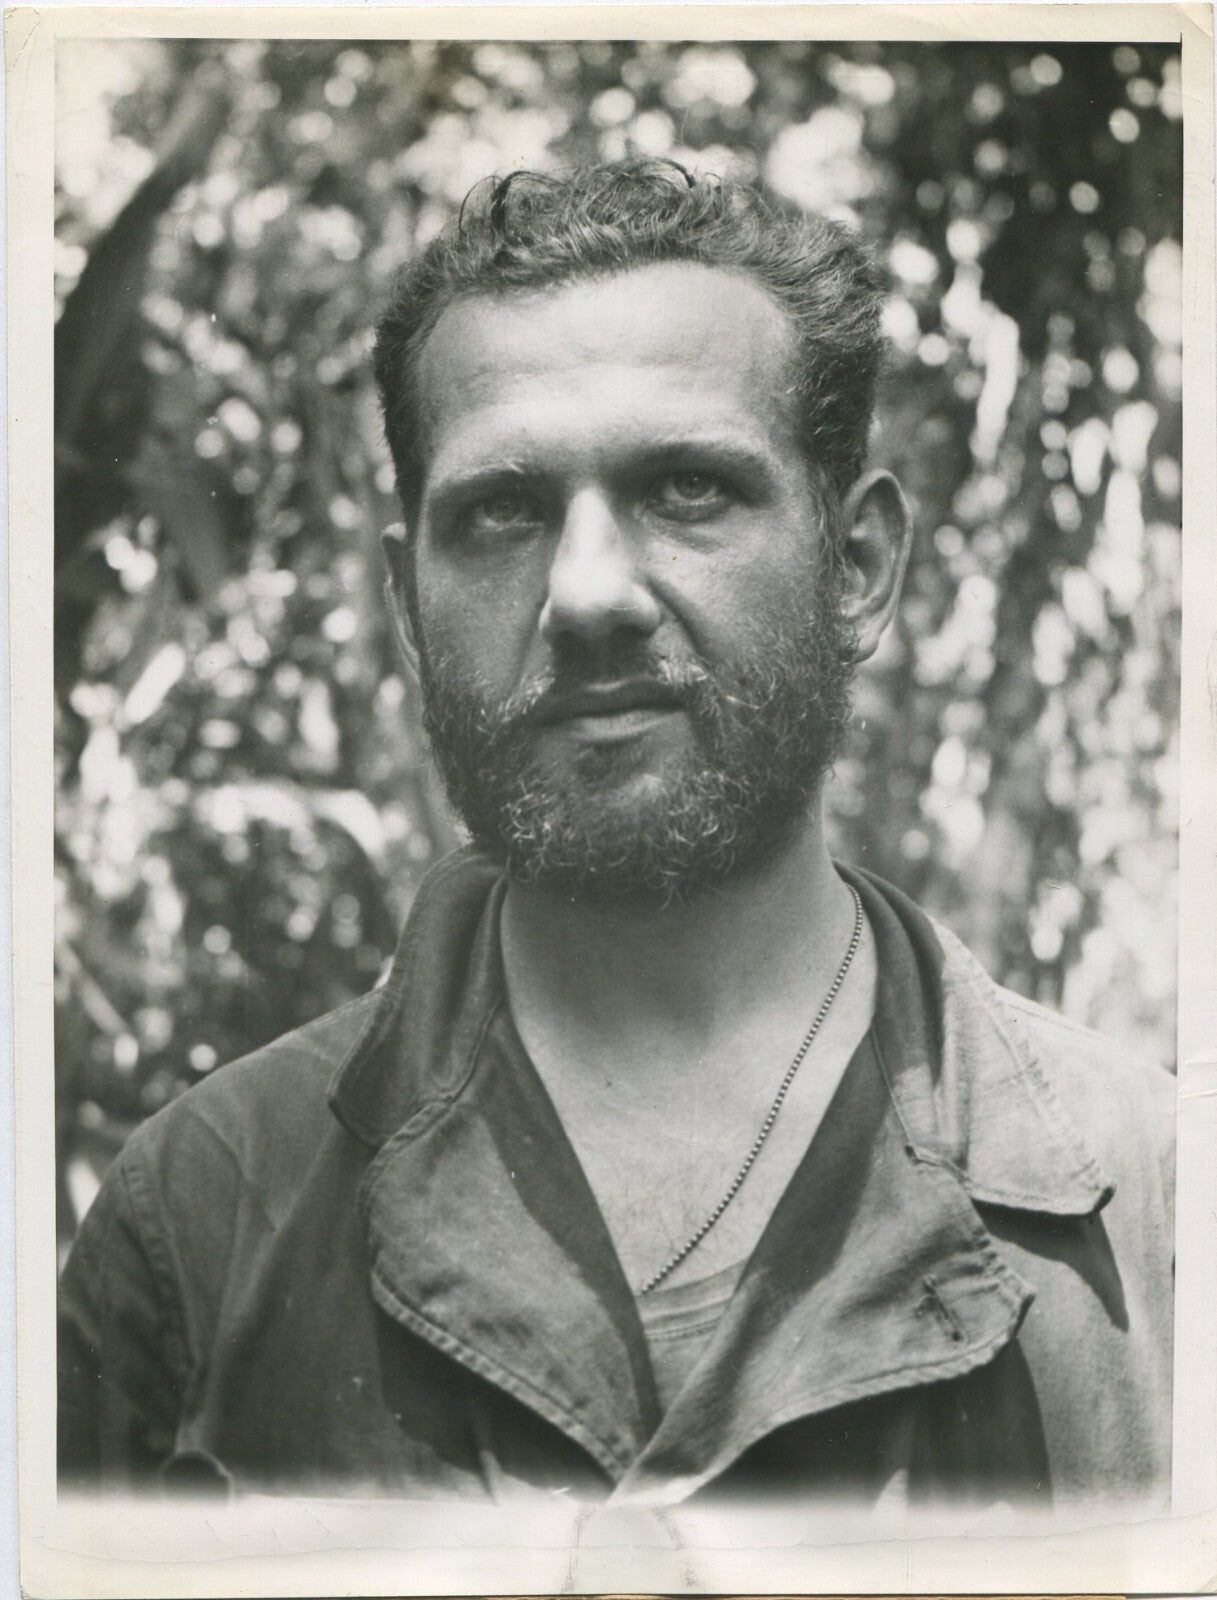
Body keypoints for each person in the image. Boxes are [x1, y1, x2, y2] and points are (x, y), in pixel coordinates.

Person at [58, 160, 1173, 1511]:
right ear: (410, 588)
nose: (587, 594)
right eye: (503, 513)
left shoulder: (1158, 1216)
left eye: (688, 490)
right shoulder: (203, 1220)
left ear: (859, 564)